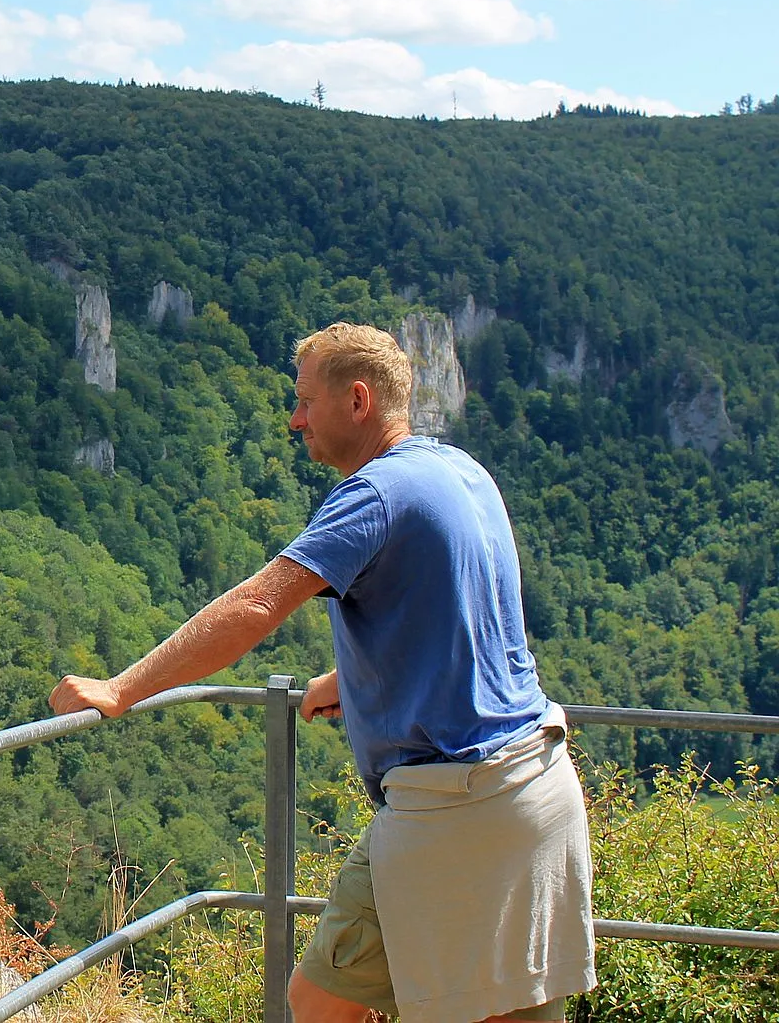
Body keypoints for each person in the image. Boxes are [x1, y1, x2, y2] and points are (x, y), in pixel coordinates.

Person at [49, 322, 595, 1023]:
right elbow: (472, 619)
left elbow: (255, 605)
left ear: (358, 400)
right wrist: (353, 680)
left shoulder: (373, 494)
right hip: (539, 786)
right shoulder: (460, 470)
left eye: (307, 400)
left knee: (319, 1007)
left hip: (455, 806)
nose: (295, 417)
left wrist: (122, 688)